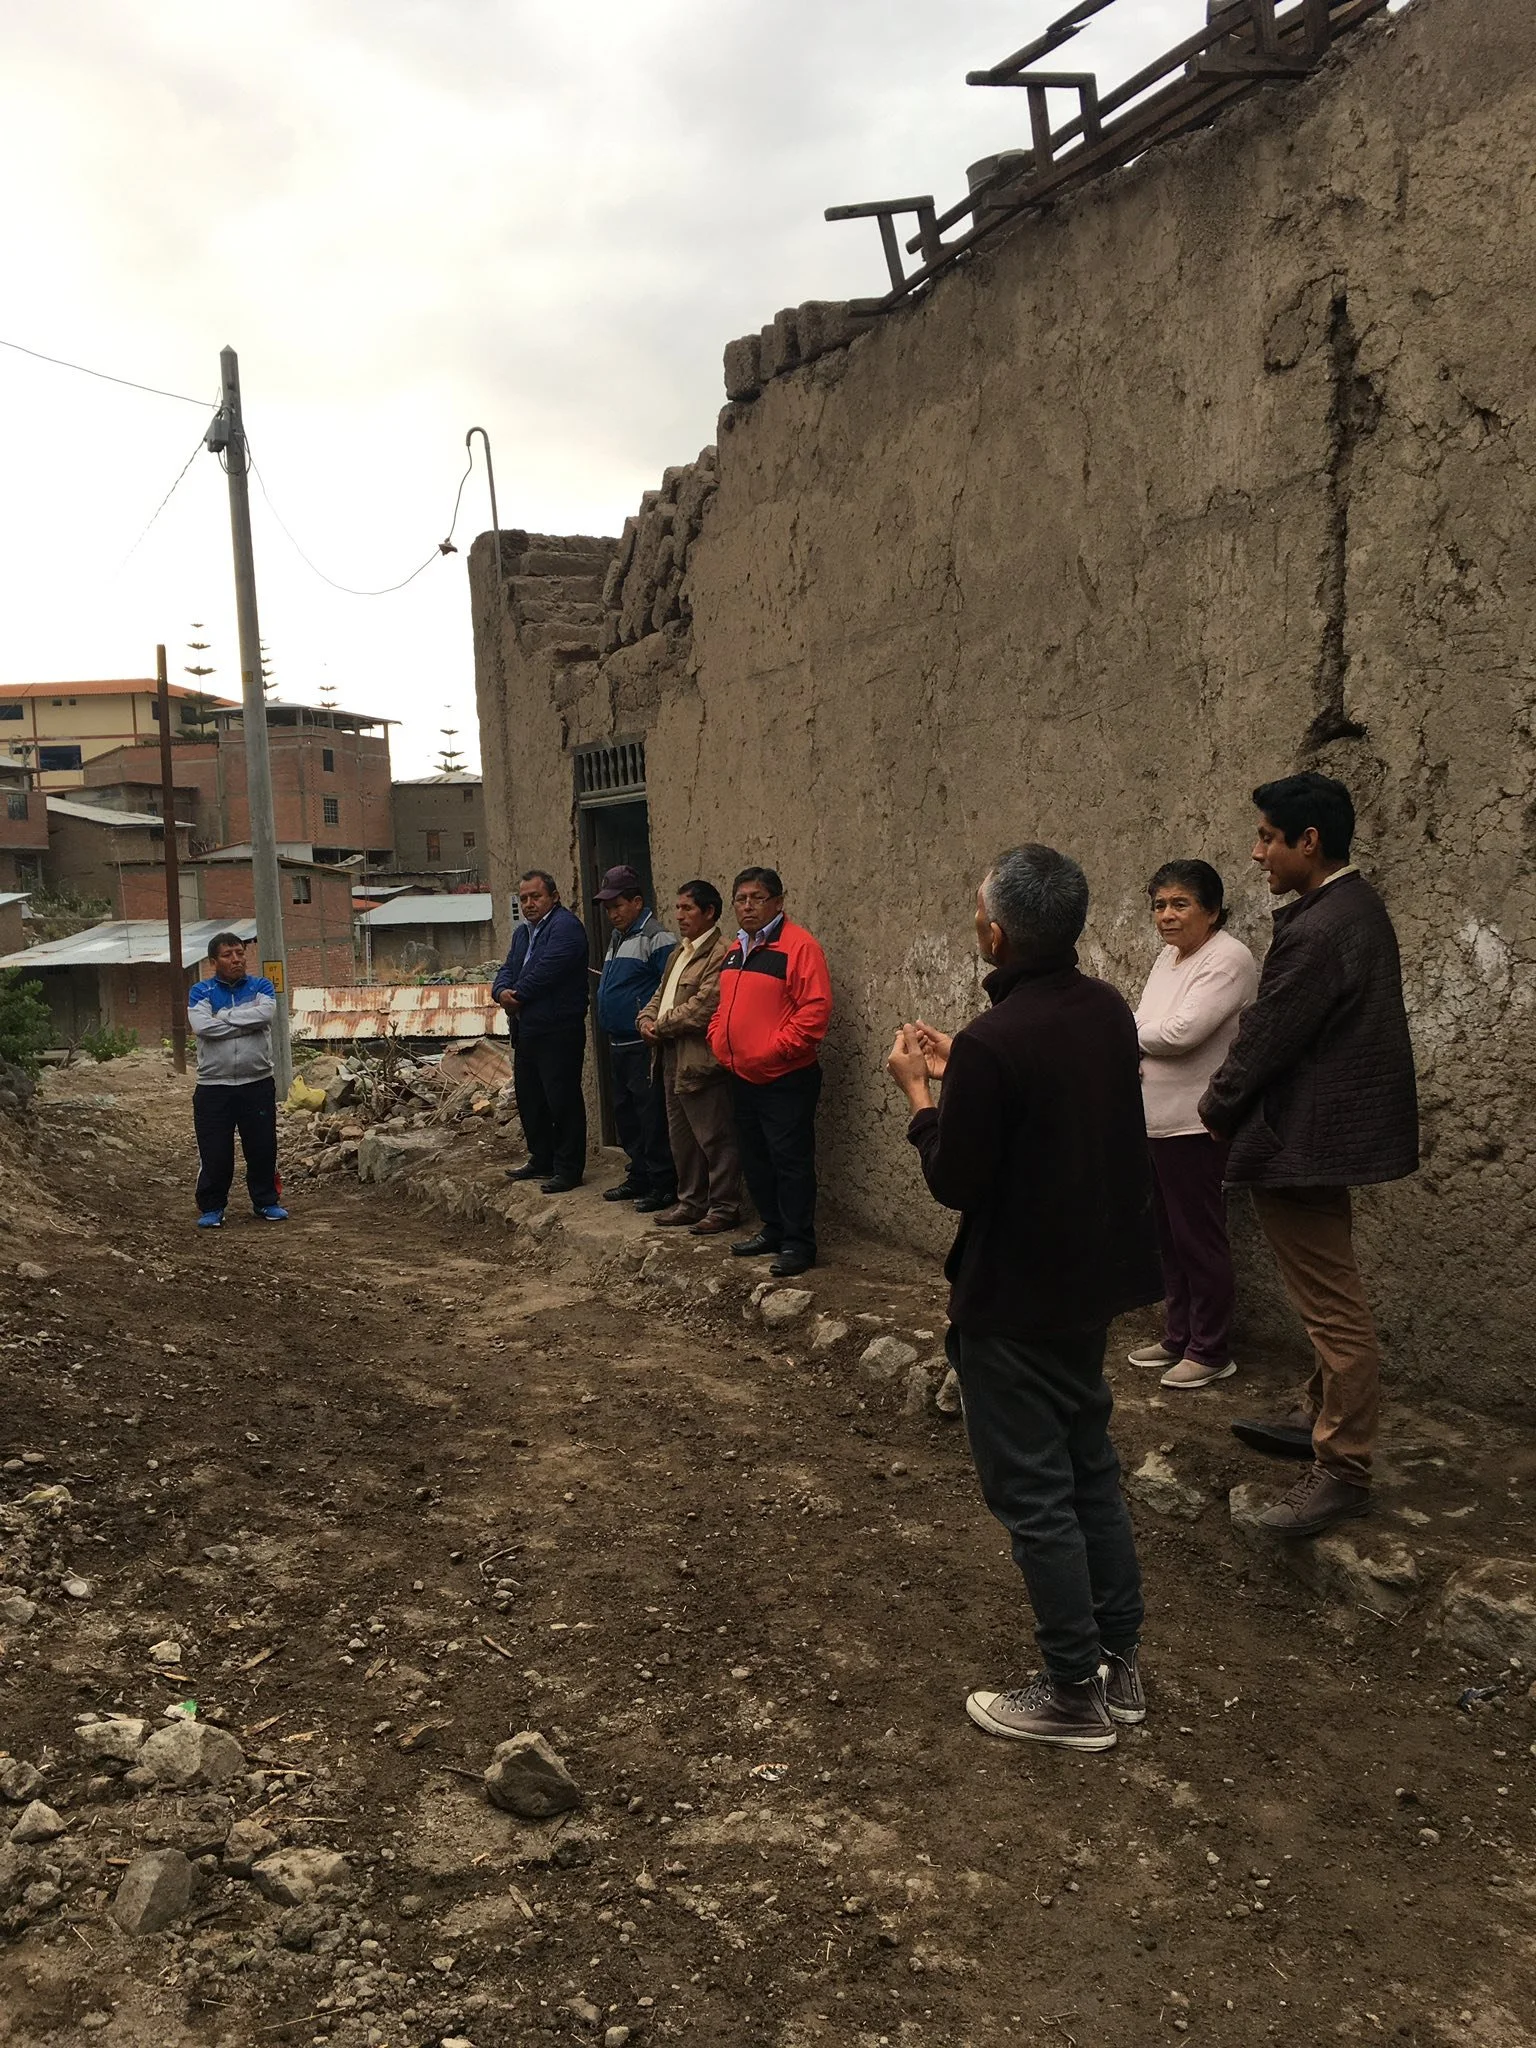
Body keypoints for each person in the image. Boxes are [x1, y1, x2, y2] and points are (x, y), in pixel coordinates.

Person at [888, 845, 1162, 1752]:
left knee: (1036, 1493)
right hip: (1089, 1284)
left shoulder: (997, 1042)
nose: (977, 919)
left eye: (980, 909)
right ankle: (1119, 1665)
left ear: (997, 933)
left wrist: (922, 1097)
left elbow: (957, 1180)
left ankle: (1071, 1694)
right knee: (1089, 1471)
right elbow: (1053, 1107)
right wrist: (965, 1065)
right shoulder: (1104, 1008)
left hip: (1013, 1299)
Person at [1200, 773, 1418, 1537]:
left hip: (1302, 1141)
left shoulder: (1321, 927)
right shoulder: (1351, 909)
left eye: (1267, 837)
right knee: (1328, 1293)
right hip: (1323, 1138)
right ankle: (1317, 1412)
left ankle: (1343, 1468)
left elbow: (1268, 1034)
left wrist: (1218, 1107)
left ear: (1309, 841)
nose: (1256, 852)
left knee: (1333, 1309)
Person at [1128, 860, 1258, 1390]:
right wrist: (1140, 1030)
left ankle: (1210, 1348)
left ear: (1213, 910)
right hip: (1155, 1124)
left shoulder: (1228, 959)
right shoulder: (1169, 958)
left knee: (1198, 1239)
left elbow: (1181, 1033)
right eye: (1159, 905)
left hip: (1196, 1126)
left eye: (1180, 904)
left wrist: (1132, 1031)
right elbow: (1148, 1023)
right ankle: (1178, 1334)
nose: (1166, 915)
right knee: (1169, 1238)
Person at [708, 867, 832, 1278]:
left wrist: (772, 1052)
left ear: (778, 902)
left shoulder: (799, 946)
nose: (748, 906)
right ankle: (773, 1228)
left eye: (757, 898)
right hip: (741, 1074)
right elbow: (724, 1006)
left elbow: (814, 1011)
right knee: (756, 1158)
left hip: (785, 1077)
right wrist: (718, 1039)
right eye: (741, 899)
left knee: (790, 1161)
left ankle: (799, 1243)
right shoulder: (736, 948)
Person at [636, 879, 742, 1234]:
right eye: (678, 908)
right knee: (681, 1137)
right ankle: (691, 1202)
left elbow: (703, 1007)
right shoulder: (678, 954)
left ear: (709, 912)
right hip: (670, 1057)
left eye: (687, 908)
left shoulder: (723, 953)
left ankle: (724, 1207)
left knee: (714, 1136)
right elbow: (659, 995)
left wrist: (660, 1025)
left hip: (701, 1060)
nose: (679, 915)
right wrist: (645, 1020)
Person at [493, 869, 590, 1194]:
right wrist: (500, 991)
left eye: (536, 897)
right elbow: (508, 968)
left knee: (562, 1100)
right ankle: (542, 1158)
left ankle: (568, 1168)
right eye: (523, 899)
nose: (529, 904)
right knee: (531, 1098)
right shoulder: (523, 933)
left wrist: (516, 995)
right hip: (527, 1029)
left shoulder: (566, 927)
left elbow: (546, 971)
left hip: (558, 1029)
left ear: (554, 897)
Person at [593, 865, 677, 1212]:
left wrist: (650, 1021)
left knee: (650, 1115)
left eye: (618, 906)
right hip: (617, 1043)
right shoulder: (618, 938)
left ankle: (663, 1184)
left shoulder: (656, 937)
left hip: (642, 1044)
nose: (612, 914)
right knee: (626, 1114)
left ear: (637, 902)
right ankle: (639, 1174)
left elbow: (669, 988)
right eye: (608, 908)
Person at [188, 932, 285, 1228]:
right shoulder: (200, 991)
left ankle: (266, 1201)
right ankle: (212, 1207)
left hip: (257, 1082)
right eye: (228, 955)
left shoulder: (261, 986)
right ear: (213, 961)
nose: (236, 960)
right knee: (215, 1151)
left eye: (240, 953)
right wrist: (245, 1022)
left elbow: (265, 1015)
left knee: (262, 1146)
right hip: (213, 1086)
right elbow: (202, 1027)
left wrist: (223, 1016)